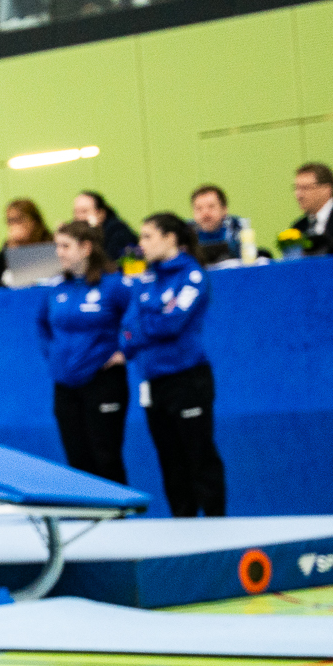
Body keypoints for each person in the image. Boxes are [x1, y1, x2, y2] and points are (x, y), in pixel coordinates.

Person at [122, 212, 226, 517]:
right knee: (170, 461)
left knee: (199, 456)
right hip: (154, 382)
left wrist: (142, 327)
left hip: (187, 379)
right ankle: (184, 526)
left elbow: (172, 323)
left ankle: (218, 525)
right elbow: (127, 326)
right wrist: (142, 327)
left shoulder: (191, 275)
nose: (141, 244)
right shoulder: (145, 277)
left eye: (147, 236)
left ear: (170, 238)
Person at [37, 221, 131, 482]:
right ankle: (91, 519)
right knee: (78, 459)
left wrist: (126, 351)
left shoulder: (113, 285)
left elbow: (139, 318)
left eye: (66, 246)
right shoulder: (58, 289)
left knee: (106, 456)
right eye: (57, 246)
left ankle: (120, 520)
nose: (59, 252)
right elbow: (42, 325)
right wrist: (54, 356)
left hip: (102, 382)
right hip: (65, 387)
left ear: (86, 247)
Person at [0, 197, 54, 287]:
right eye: (10, 221)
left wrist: (17, 255)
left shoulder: (50, 243)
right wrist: (12, 251)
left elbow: (36, 281)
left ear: (33, 222)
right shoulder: (10, 245)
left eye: (18, 220)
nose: (14, 226)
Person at [75, 190, 138, 261]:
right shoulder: (79, 233)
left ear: (101, 214)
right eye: (76, 212)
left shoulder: (118, 233)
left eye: (84, 211)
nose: (79, 217)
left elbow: (109, 264)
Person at [189, 183, 246, 258]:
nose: (205, 213)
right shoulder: (186, 232)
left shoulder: (235, 225)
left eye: (211, 206)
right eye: (199, 209)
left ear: (224, 209)